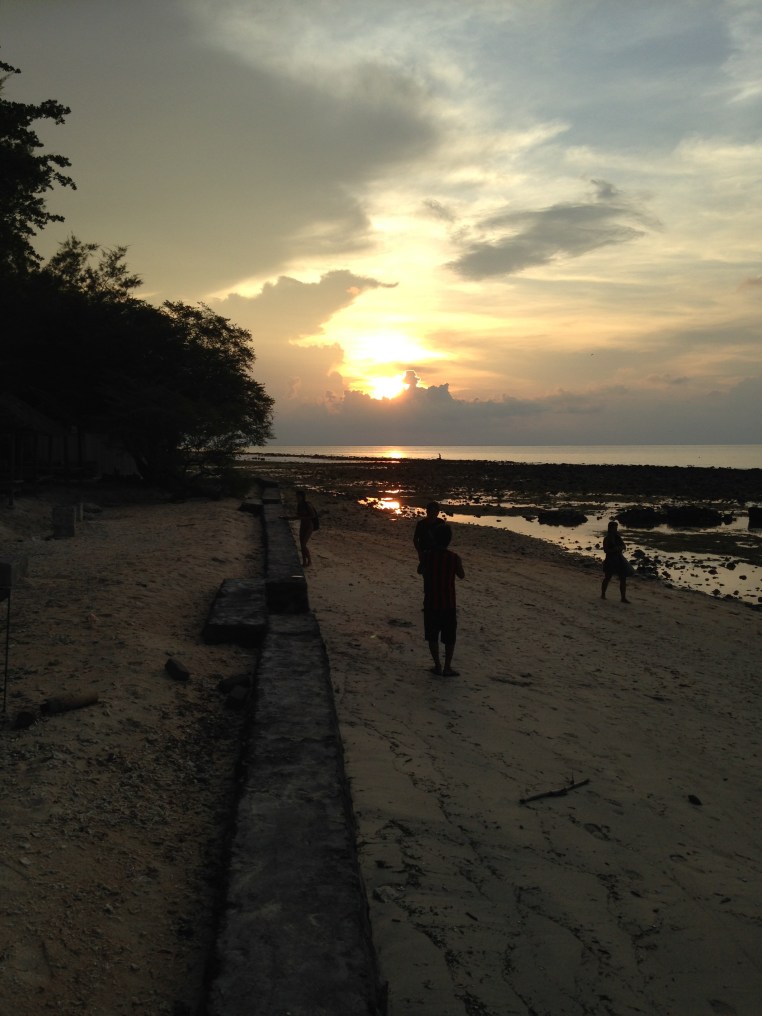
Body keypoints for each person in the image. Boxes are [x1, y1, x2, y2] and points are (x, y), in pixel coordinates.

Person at [417, 523, 465, 676]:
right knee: (449, 637)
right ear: (449, 540)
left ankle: (437, 665)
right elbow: (461, 575)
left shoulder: (427, 556)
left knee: (432, 636)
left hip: (431, 602)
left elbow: (420, 570)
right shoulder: (454, 558)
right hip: (448, 603)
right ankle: (447, 667)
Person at [601, 520, 630, 603]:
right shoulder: (606, 538)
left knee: (623, 578)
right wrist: (615, 549)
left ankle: (623, 597)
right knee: (607, 577)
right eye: (614, 528)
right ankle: (603, 594)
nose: (615, 530)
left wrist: (619, 548)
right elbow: (606, 550)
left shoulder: (618, 537)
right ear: (610, 529)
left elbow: (624, 546)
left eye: (616, 528)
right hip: (610, 560)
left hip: (619, 559)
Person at [295, 489, 318, 567]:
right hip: (302, 525)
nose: (297, 498)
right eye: (296, 496)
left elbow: (313, 515)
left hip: (309, 526)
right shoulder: (299, 505)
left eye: (299, 497)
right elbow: (298, 516)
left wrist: (304, 517)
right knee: (301, 545)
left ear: (302, 497)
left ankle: (309, 561)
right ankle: (304, 562)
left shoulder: (307, 505)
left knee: (304, 544)